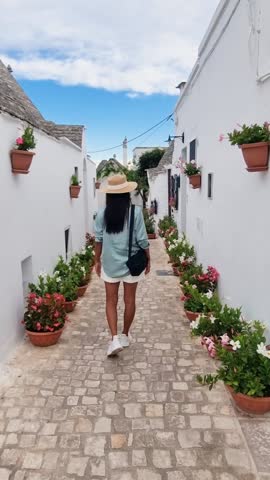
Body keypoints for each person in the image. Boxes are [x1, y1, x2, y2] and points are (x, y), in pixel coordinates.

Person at [94, 174, 150, 357]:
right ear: (127, 193)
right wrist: (148, 258)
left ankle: (114, 338)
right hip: (132, 263)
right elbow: (142, 239)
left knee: (111, 300)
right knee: (130, 300)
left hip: (110, 263)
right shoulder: (136, 212)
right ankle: (125, 334)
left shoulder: (102, 214)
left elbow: (98, 240)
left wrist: (96, 260)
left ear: (109, 195)